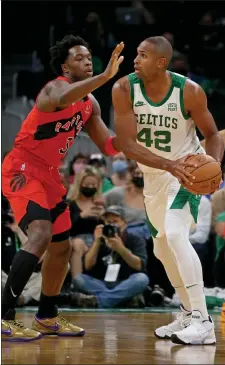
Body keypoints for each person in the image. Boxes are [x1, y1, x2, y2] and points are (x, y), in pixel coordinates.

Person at [1, 34, 124, 342]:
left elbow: (109, 146)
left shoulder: (90, 103)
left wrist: (133, 136)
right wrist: (105, 76)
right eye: (80, 57)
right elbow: (62, 98)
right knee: (40, 233)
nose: (87, 60)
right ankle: (4, 317)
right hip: (22, 169)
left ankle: (47, 315)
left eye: (89, 56)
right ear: (66, 67)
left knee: (62, 247)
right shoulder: (54, 88)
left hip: (50, 175)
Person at [111, 36, 224, 345]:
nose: (135, 59)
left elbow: (213, 134)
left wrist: (209, 165)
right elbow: (128, 145)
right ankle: (187, 312)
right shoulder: (124, 89)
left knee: (176, 235)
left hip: (185, 174)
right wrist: (166, 166)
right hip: (155, 176)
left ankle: (203, 321)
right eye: (136, 54)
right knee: (161, 248)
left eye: (143, 55)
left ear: (161, 63)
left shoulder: (188, 91)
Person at [73, 205, 149, 308]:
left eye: (115, 221)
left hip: (125, 282)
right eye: (108, 222)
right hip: (101, 283)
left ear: (124, 223)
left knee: (142, 279)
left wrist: (120, 248)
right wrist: (96, 243)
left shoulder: (135, 239)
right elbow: (88, 266)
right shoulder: (99, 239)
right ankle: (121, 299)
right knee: (78, 279)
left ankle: (100, 302)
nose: (112, 225)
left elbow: (139, 266)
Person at [67, 166, 104, 278]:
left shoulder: (99, 204)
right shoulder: (70, 204)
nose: (90, 188)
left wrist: (103, 217)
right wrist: (81, 216)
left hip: (95, 239)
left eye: (94, 185)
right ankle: (77, 282)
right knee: (77, 244)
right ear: (80, 184)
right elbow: (65, 228)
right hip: (74, 239)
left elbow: (104, 227)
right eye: (87, 185)